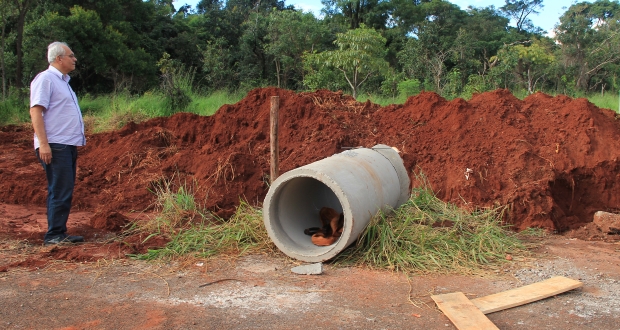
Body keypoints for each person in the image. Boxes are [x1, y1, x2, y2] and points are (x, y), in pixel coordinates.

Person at [30, 41, 86, 245]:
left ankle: (59, 232)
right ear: (59, 58)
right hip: (55, 144)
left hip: (66, 144)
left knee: (65, 188)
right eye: (71, 56)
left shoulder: (63, 82)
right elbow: (35, 111)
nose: (74, 59)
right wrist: (43, 144)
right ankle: (54, 235)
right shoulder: (46, 79)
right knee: (60, 189)